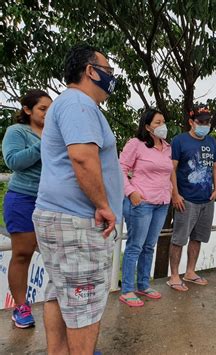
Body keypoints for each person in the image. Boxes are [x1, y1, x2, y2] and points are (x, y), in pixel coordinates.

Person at [32, 44, 123, 354]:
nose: (112, 78)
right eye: (108, 71)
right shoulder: (79, 103)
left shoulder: (67, 104)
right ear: (90, 71)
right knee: (84, 303)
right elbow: (82, 158)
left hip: (61, 218)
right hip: (78, 221)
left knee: (60, 293)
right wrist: (103, 205)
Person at [2, 89, 52, 328]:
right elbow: (13, 161)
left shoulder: (56, 132)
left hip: (52, 200)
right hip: (22, 198)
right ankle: (21, 307)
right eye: (43, 109)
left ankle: (59, 304)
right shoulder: (17, 131)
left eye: (50, 109)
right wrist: (43, 144)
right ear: (27, 109)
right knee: (22, 253)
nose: (47, 113)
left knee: (55, 254)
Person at [119, 109, 173, 307]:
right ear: (147, 125)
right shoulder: (136, 144)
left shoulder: (167, 147)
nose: (162, 126)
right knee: (135, 246)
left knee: (150, 246)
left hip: (162, 203)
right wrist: (131, 192)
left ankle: (143, 284)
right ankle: (127, 289)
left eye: (164, 121)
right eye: (158, 122)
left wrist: (171, 192)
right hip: (141, 203)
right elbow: (120, 169)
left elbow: (168, 173)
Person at [168, 105, 216, 291]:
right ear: (191, 122)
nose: (205, 125)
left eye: (207, 121)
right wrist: (175, 194)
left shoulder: (212, 141)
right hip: (186, 199)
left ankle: (190, 272)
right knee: (179, 239)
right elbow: (171, 169)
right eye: (201, 121)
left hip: (206, 199)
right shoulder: (179, 141)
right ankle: (174, 276)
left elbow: (215, 167)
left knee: (198, 238)